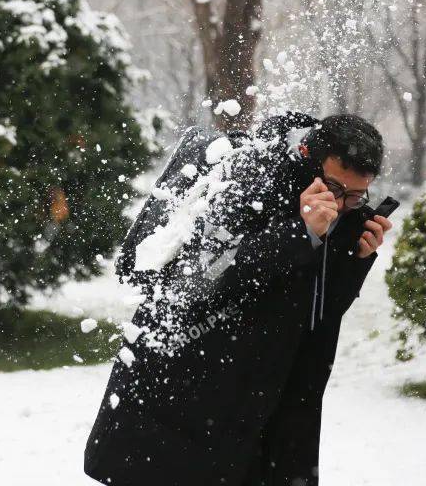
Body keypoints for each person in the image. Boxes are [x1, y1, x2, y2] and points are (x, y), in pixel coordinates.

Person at [84, 113, 393, 486]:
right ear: (309, 158)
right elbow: (203, 277)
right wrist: (300, 232)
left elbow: (315, 315)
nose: (343, 203)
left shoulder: (339, 209)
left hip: (263, 406)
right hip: (187, 394)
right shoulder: (249, 175)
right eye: (335, 188)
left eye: (357, 195)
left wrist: (355, 261)